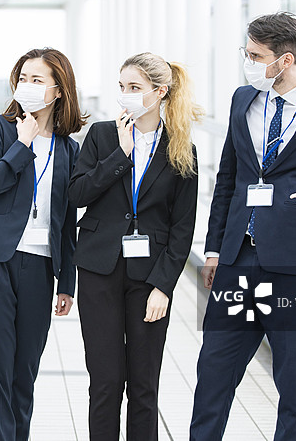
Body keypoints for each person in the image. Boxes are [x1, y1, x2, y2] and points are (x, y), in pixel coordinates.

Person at [189, 12, 296, 441]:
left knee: (292, 382)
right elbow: (229, 179)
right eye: (246, 53)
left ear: (285, 60)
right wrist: (214, 249)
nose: (247, 63)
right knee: (213, 372)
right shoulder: (243, 99)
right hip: (238, 261)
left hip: (294, 268)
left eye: (255, 55)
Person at [69, 52, 202, 440]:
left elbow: (182, 228)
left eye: (135, 88)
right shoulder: (102, 136)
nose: (125, 96)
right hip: (99, 270)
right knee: (105, 382)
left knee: (144, 386)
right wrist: (121, 154)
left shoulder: (181, 148)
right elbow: (77, 193)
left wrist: (164, 286)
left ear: (159, 92)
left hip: (149, 279)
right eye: (122, 87)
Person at [0, 47, 87, 441]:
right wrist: (22, 144)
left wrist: (67, 282)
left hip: (39, 267)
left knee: (23, 376)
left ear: (58, 91)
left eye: (37, 80)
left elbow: (68, 220)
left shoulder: (69, 149)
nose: (27, 86)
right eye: (23, 78)